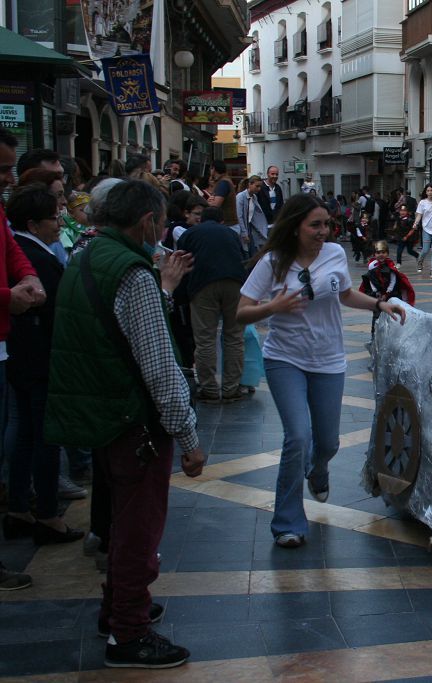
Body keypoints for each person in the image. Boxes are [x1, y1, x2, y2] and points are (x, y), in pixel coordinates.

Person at [45, 180, 204, 668]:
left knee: (121, 522)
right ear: (146, 223)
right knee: (139, 528)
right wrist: (190, 438)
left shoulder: (85, 257)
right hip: (131, 419)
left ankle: (118, 608)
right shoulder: (133, 273)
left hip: (100, 412)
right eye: (158, 224)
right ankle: (129, 634)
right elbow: (159, 365)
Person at [236, 194, 405, 547]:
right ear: (295, 226)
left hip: (328, 360)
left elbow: (344, 295)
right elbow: (241, 312)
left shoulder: (335, 254)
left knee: (327, 442)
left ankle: (319, 467)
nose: (323, 231)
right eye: (315, 225)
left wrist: (379, 304)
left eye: (327, 224)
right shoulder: (272, 262)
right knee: (297, 436)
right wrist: (273, 306)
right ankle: (288, 523)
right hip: (285, 359)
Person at [3, 184, 85, 546]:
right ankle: (48, 514)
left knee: (25, 435)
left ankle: (20, 508)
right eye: (55, 216)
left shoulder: (24, 250)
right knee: (44, 436)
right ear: (33, 224)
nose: (61, 221)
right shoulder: (35, 256)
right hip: (39, 357)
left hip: (22, 357)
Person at [0, 129, 45, 591]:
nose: (8, 178)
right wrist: (4, 297)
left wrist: (28, 277)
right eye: (1, 169)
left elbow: (12, 252)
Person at [177, 205, 247, 404]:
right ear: (221, 221)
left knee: (205, 338)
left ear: (202, 219)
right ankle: (231, 389)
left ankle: (209, 389)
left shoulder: (191, 233)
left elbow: (182, 260)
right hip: (235, 283)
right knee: (234, 337)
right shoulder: (230, 233)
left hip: (202, 285)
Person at [359, 241, 415, 335]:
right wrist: (376, 292)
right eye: (378, 252)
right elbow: (370, 280)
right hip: (377, 295)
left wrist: (387, 293)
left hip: (391, 294)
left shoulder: (390, 265)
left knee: (393, 315)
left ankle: (394, 334)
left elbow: (393, 280)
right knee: (377, 314)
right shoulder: (372, 266)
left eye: (383, 252)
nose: (381, 255)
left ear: (387, 253)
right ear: (374, 254)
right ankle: (375, 334)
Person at [236, 174, 270, 259]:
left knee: (253, 252)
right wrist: (244, 233)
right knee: (246, 253)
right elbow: (239, 216)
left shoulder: (254, 197)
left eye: (260, 187)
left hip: (250, 229)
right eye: (257, 186)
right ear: (250, 184)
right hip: (243, 229)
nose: (259, 189)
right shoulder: (240, 197)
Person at [207, 160, 237, 227]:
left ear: (213, 169)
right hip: (229, 224)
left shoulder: (223, 183)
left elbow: (215, 205)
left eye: (210, 169)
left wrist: (208, 202)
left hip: (228, 225)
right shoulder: (224, 180)